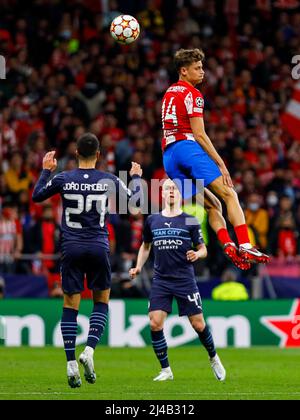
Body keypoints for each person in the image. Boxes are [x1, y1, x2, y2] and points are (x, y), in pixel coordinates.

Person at [32, 133, 143, 388]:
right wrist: (135, 177)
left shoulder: (63, 178)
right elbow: (136, 205)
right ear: (99, 155)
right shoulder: (108, 179)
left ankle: (71, 363)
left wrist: (45, 171)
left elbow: (37, 196)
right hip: (98, 247)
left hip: (71, 248)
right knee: (101, 301)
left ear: (76, 153)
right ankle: (89, 351)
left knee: (71, 305)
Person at [161, 48, 270, 270]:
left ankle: (228, 244)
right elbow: (199, 134)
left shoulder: (169, 92)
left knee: (213, 205)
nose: (202, 72)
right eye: (197, 68)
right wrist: (221, 164)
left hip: (169, 156)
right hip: (187, 149)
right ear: (183, 71)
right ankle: (246, 244)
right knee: (230, 194)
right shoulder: (193, 94)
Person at [130, 179, 226, 382]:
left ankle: (213, 357)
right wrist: (138, 266)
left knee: (198, 325)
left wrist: (197, 255)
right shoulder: (152, 220)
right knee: (155, 323)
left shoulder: (190, 219)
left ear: (181, 195)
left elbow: (203, 248)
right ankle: (166, 370)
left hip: (184, 279)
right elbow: (145, 246)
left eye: (174, 189)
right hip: (161, 280)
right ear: (162, 194)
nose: (171, 191)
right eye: (167, 189)